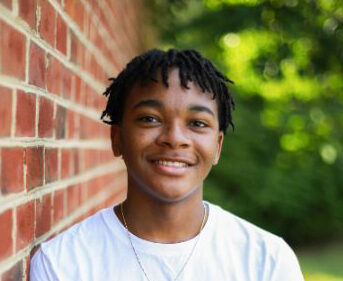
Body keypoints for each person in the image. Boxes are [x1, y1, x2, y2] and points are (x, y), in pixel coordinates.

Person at [30, 49, 304, 280]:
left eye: (197, 123)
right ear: (117, 138)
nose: (174, 138)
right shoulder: (62, 263)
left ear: (217, 147)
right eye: (150, 118)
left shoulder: (266, 262)